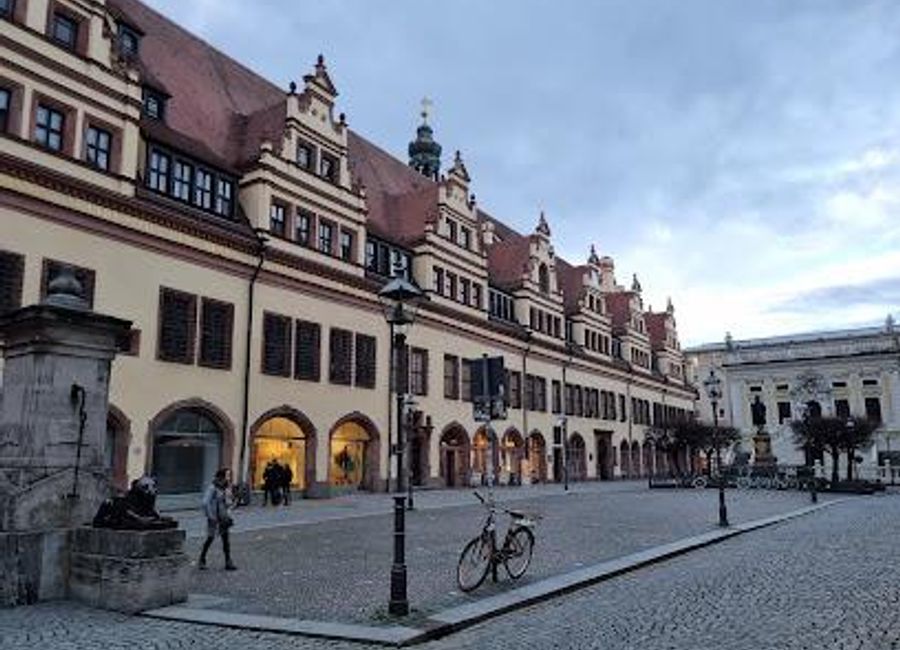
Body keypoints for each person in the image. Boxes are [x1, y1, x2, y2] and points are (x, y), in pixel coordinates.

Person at [199, 468, 236, 571]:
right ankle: (202, 559)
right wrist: (210, 516)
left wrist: (231, 502)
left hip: (223, 518)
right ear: (222, 476)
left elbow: (228, 503)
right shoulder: (213, 488)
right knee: (210, 538)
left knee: (226, 540)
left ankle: (228, 562)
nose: (229, 478)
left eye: (229, 475)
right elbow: (205, 502)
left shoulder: (226, 488)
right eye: (227, 475)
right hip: (214, 518)